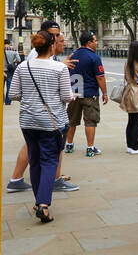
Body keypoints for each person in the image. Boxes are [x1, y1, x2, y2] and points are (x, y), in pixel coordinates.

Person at [7, 29, 74, 223]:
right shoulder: (59, 68)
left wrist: (31, 99)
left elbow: (13, 95)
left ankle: (38, 201)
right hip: (51, 120)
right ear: (52, 46)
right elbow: (66, 97)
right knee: (50, 161)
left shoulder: (23, 67)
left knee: (35, 161)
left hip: (27, 120)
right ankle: (43, 204)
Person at [64, 31, 107, 156]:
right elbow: (100, 77)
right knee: (90, 121)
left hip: (75, 92)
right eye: (95, 40)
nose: (96, 42)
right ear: (89, 43)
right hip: (90, 93)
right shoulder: (94, 57)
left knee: (72, 120)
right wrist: (104, 93)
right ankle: (90, 148)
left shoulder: (72, 55)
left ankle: (69, 144)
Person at [122, 39, 138, 154]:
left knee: (131, 121)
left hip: (129, 92)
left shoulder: (128, 63)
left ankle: (130, 145)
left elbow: (126, 78)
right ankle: (135, 146)